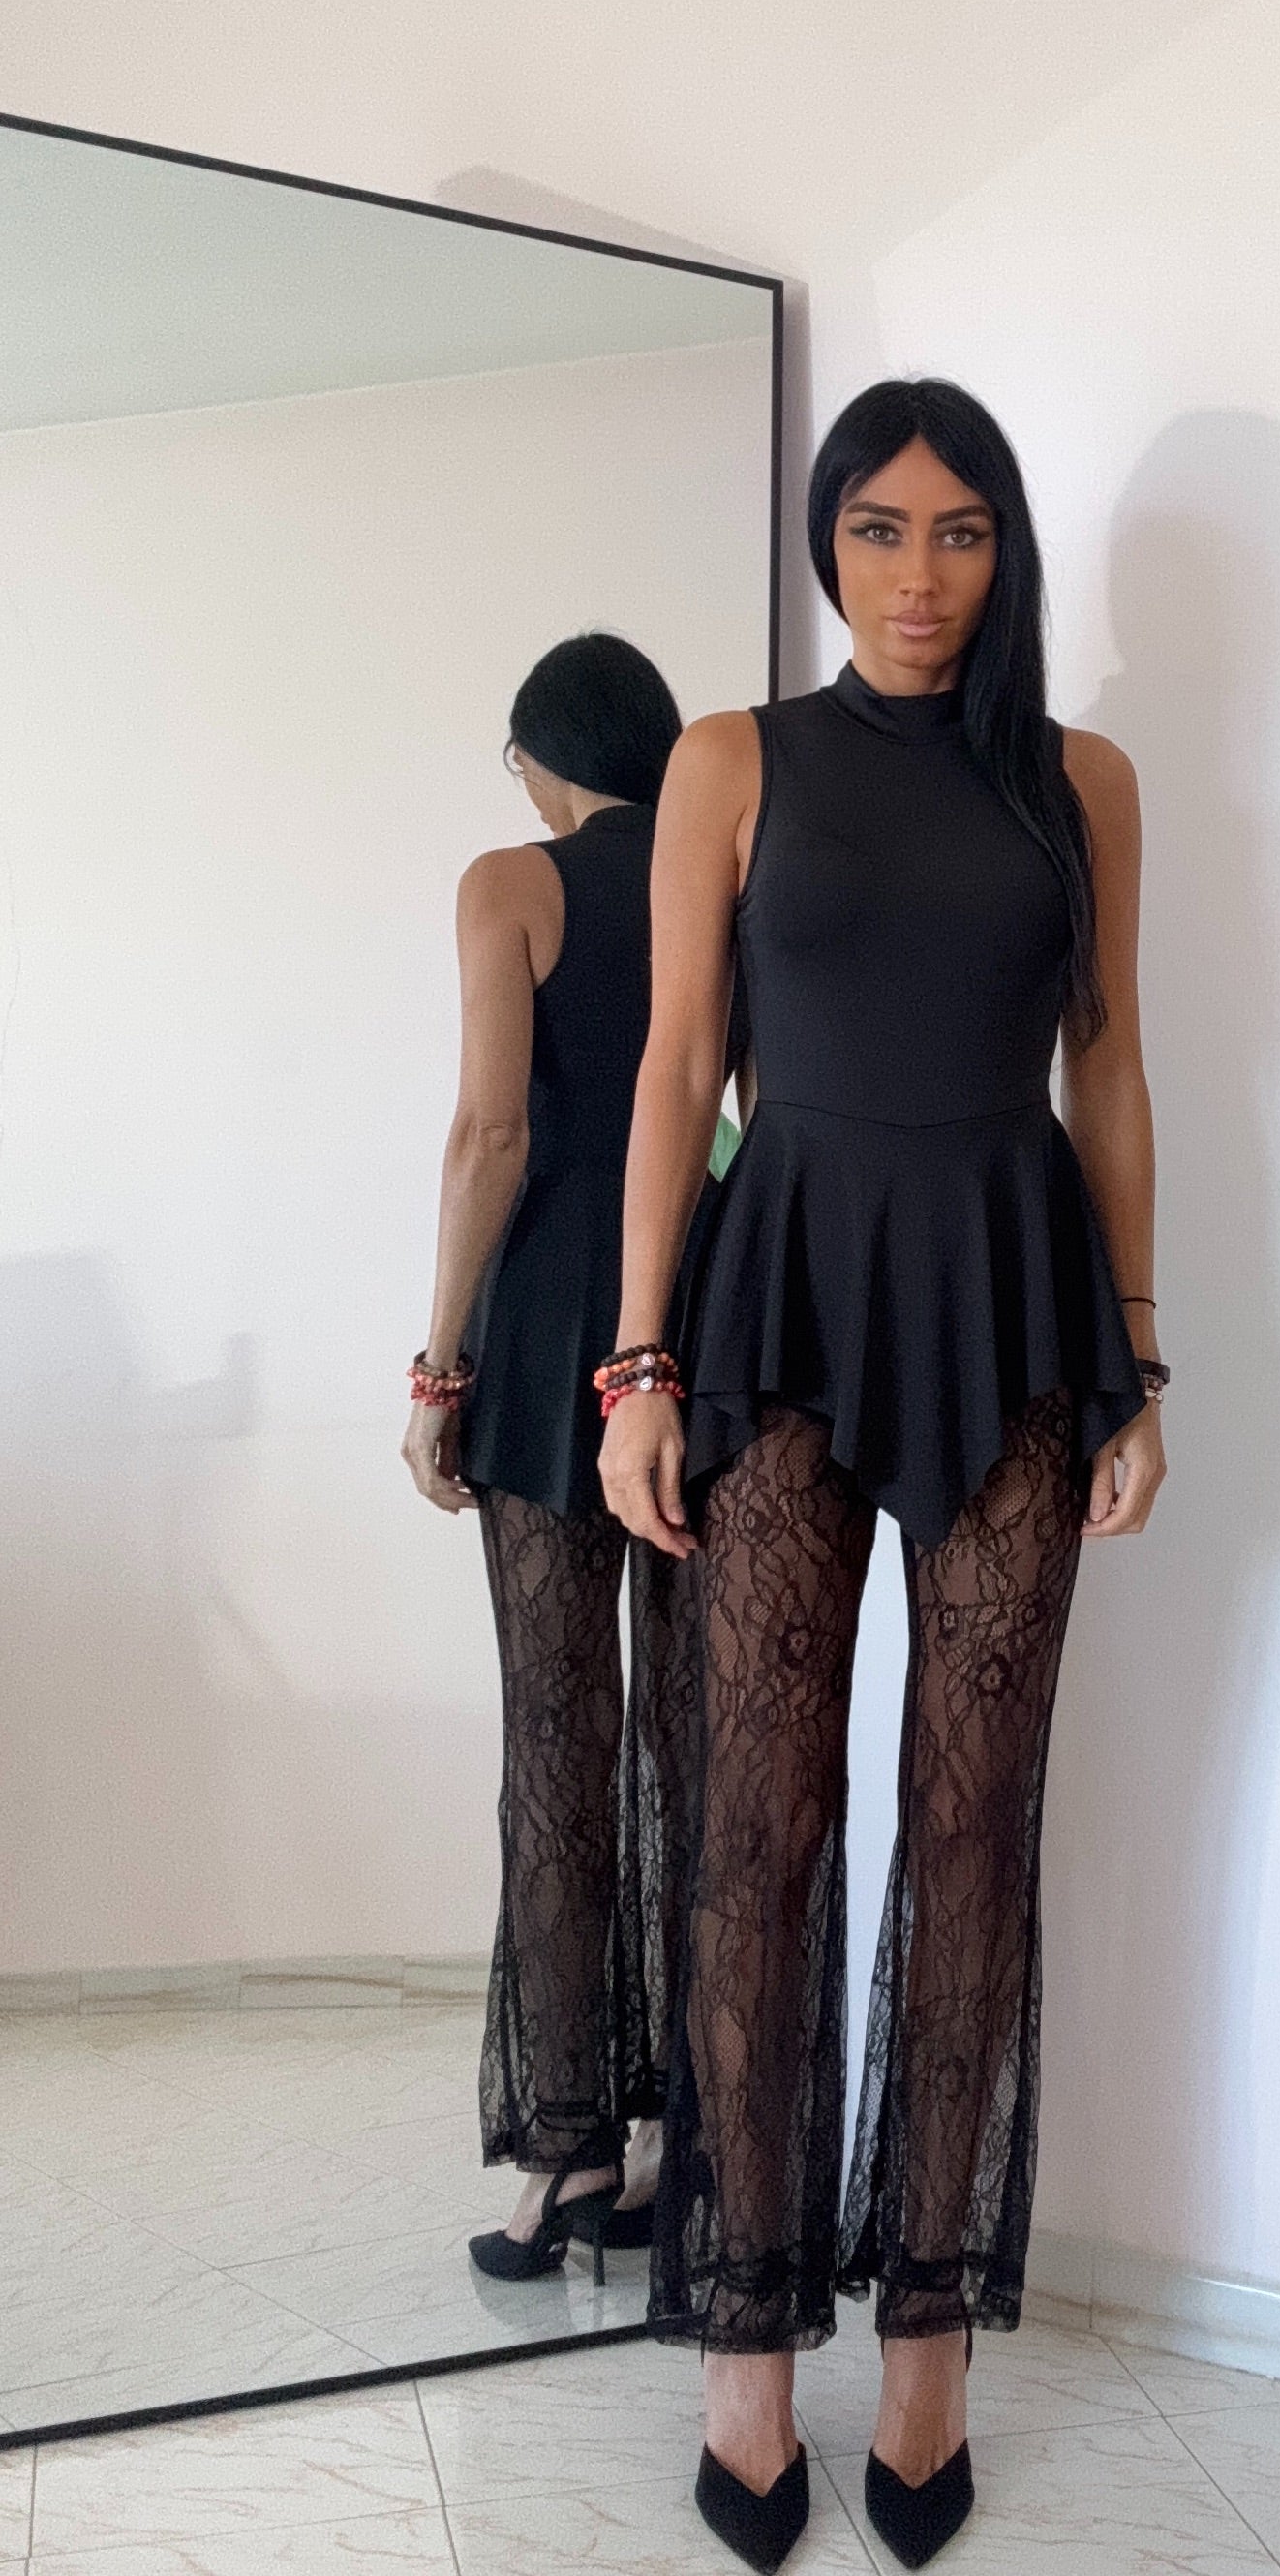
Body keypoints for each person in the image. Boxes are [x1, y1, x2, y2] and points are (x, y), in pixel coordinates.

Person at [600, 380, 1166, 2570]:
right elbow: (677, 1066)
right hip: (783, 1308)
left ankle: (927, 2345)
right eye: (878, 528)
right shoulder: (733, 759)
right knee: (758, 1827)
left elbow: (1108, 1064)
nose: (919, 574)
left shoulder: (1081, 779)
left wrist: (1136, 1355)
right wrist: (636, 1363)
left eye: (960, 531)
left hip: (1017, 1304)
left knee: (972, 1823)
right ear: (826, 543)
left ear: (1006, 548)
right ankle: (748, 2356)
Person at [404, 632, 706, 2286]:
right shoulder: (713, 867)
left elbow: (493, 1131)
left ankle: (565, 2151)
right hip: (701, 1307)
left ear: (539, 754)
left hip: (546, 1334)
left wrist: (437, 1364)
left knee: (558, 1740)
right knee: (702, 1743)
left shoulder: (509, 881)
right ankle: (690, 2149)